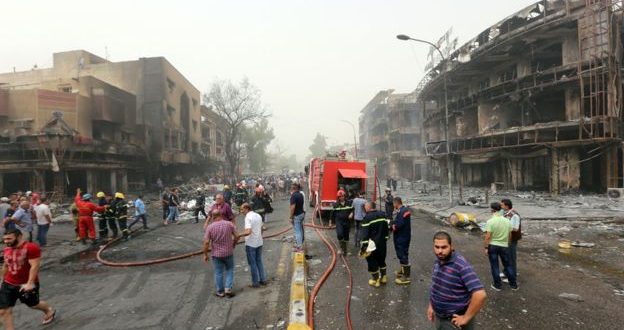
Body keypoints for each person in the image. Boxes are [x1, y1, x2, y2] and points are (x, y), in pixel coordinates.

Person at [428, 231, 486, 330]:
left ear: (451, 246)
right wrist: (431, 305)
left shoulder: (460, 265)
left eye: (444, 247)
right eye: (437, 247)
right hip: (439, 317)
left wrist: (465, 318)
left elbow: (480, 295)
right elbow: (436, 286)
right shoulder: (438, 261)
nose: (440, 251)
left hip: (453, 322)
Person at [0, 229, 56, 329]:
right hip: (8, 283)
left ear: (19, 237)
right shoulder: (7, 249)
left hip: (25, 284)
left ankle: (48, 310)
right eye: (4, 239)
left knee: (33, 304)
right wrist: (1, 279)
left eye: (9, 239)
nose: (6, 241)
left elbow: (35, 266)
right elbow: (5, 265)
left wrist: (30, 283)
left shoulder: (31, 247)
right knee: (3, 311)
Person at [203, 209, 238, 298]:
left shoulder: (210, 227)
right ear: (221, 215)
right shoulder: (229, 224)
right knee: (230, 270)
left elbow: (206, 242)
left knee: (218, 272)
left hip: (216, 254)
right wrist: (234, 244)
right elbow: (237, 236)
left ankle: (220, 292)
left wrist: (205, 254)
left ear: (213, 217)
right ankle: (228, 289)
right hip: (228, 252)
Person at [484, 202, 517, 291]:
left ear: (492, 210)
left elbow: (488, 236)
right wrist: (507, 244)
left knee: (495, 266)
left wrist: (486, 247)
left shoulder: (490, 221)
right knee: (508, 265)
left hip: (493, 246)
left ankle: (497, 285)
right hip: (504, 246)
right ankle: (513, 285)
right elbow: (510, 235)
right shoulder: (507, 221)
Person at [359, 202, 389, 287]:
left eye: (365, 207)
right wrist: (385, 238)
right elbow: (386, 229)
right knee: (382, 260)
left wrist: (364, 247)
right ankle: (384, 277)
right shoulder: (382, 215)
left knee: (372, 261)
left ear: (369, 207)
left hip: (372, 245)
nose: (364, 209)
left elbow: (365, 235)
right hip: (382, 243)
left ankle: (375, 280)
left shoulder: (367, 218)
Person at [238, 203, 267, 288]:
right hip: (259, 242)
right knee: (259, 261)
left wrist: (238, 235)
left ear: (247, 209)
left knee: (253, 263)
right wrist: (259, 236)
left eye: (242, 209)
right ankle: (263, 279)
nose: (241, 211)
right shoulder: (258, 215)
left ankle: (255, 282)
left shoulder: (248, 217)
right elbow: (262, 228)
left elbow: (248, 231)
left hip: (251, 244)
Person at [391, 197, 411, 285]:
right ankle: (402, 270)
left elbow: (400, 224)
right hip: (403, 236)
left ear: (396, 203)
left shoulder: (402, 211)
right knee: (403, 254)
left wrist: (392, 226)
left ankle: (406, 277)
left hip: (402, 237)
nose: (393, 206)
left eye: (393, 204)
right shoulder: (403, 210)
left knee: (402, 255)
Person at [501, 198, 521, 279]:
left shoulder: (514, 215)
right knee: (506, 256)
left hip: (512, 238)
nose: (501, 206)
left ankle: (512, 275)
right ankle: (506, 272)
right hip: (506, 238)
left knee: (511, 257)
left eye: (502, 205)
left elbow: (515, 228)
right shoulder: (506, 213)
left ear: (506, 206)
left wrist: (504, 227)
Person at [331, 190, 353, 255]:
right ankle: (341, 248)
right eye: (340, 196)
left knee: (346, 236)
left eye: (343, 196)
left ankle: (346, 250)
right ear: (338, 197)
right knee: (340, 234)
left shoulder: (349, 203)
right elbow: (332, 214)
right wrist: (330, 222)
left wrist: (351, 213)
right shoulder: (336, 204)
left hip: (347, 222)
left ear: (344, 196)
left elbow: (352, 210)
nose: (341, 197)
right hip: (339, 222)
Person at [289, 183, 305, 252]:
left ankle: (299, 247)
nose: (291, 189)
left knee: (297, 231)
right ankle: (300, 244)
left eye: (291, 188)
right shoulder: (300, 194)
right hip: (302, 213)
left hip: (297, 215)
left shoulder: (293, 196)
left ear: (294, 188)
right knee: (300, 230)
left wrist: (290, 217)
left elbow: (293, 207)